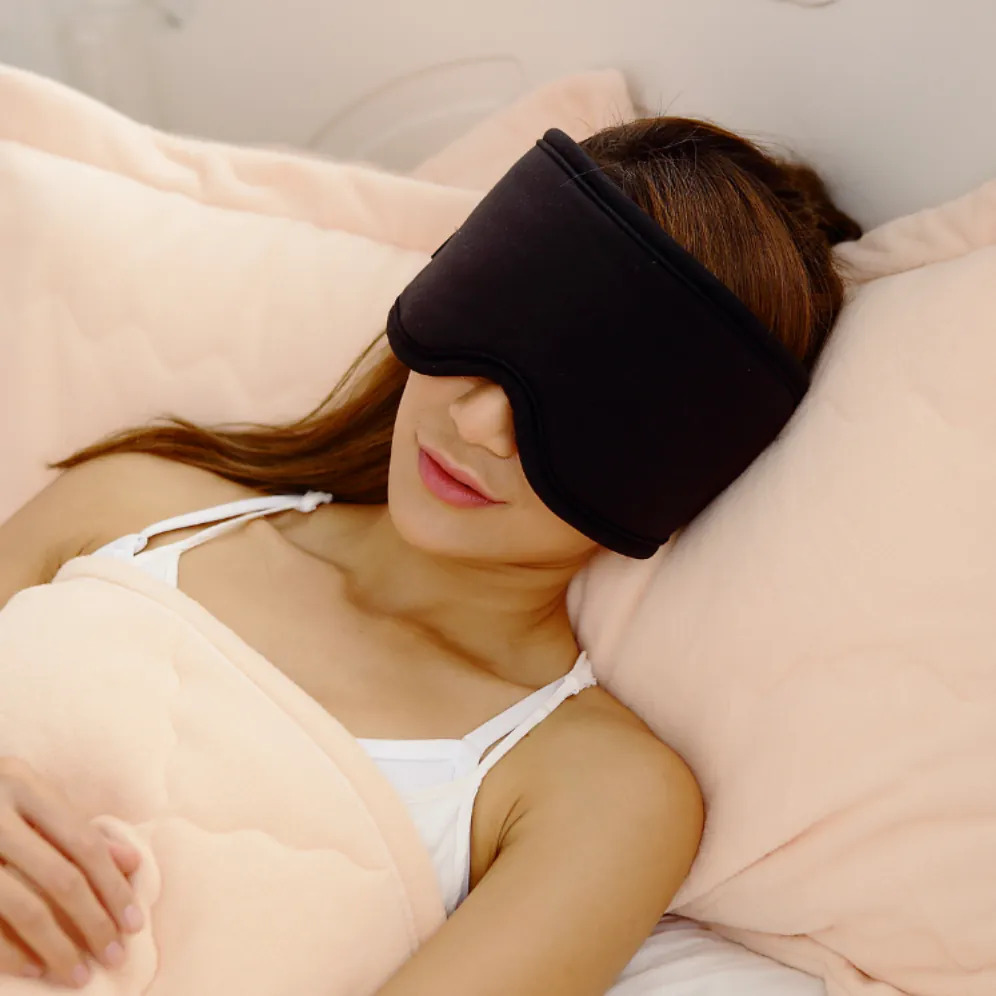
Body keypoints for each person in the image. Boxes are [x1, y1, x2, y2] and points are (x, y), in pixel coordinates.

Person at [0, 116, 860, 993]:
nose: (479, 424)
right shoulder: (138, 503)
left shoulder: (598, 792)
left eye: (584, 405)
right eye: (501, 335)